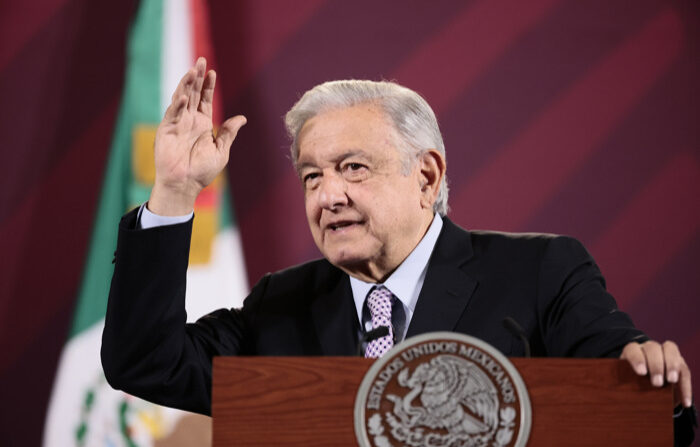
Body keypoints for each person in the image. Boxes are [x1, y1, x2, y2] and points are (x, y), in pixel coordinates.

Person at [101, 58, 695, 442]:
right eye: (312, 177)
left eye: (352, 168)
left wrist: (649, 377)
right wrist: (176, 191)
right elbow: (146, 362)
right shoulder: (279, 304)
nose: (328, 195)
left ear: (427, 177)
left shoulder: (540, 273)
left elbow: (635, 396)